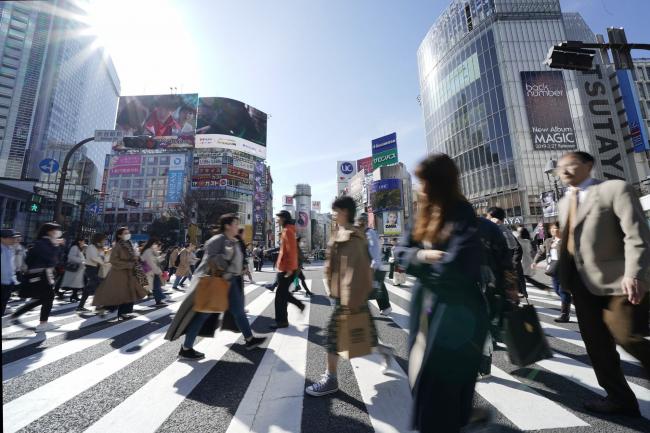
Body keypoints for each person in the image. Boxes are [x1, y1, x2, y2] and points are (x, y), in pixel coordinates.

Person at [393, 154, 488, 432]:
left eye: (425, 182)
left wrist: (422, 262)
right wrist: (425, 255)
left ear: (439, 183)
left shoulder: (461, 211)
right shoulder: (421, 215)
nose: (420, 189)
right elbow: (401, 251)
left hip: (457, 313)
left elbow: (460, 265)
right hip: (426, 307)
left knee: (442, 392)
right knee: (423, 382)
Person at [556, 151, 650, 416]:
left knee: (627, 336)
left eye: (570, 165)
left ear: (588, 165)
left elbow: (636, 233)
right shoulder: (564, 203)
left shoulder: (614, 189)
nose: (563, 171)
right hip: (581, 285)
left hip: (620, 281)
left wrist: (635, 273)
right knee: (596, 346)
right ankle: (619, 398)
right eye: (559, 168)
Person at [305, 196, 391, 397]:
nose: (333, 214)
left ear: (344, 212)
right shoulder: (341, 233)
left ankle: (331, 379)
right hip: (344, 296)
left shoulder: (353, 237)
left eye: (335, 211)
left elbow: (355, 270)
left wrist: (348, 300)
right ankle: (385, 352)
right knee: (367, 335)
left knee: (332, 338)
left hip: (348, 299)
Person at [165, 214, 266, 359]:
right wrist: (226, 258)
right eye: (235, 224)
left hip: (230, 281)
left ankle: (250, 339)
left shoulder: (233, 240)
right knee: (203, 315)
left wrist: (240, 267)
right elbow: (210, 259)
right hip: (217, 282)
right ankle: (186, 348)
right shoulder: (218, 240)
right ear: (227, 226)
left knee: (238, 312)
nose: (238, 227)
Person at [11, 222, 65, 332]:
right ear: (49, 231)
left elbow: (55, 260)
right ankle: (40, 323)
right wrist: (56, 245)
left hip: (43, 274)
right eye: (56, 230)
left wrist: (56, 245)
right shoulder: (43, 243)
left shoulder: (46, 242)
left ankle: (18, 316)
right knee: (47, 297)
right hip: (40, 274)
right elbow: (51, 259)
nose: (58, 233)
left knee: (44, 298)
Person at [93, 227, 148, 320]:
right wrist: (128, 264)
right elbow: (113, 260)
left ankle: (121, 312)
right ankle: (106, 308)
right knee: (121, 294)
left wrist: (136, 259)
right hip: (119, 274)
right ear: (119, 235)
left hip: (129, 273)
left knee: (129, 293)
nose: (128, 234)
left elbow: (133, 258)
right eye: (125, 233)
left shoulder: (129, 244)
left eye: (128, 232)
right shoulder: (117, 245)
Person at [270, 210, 305, 329]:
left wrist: (290, 269)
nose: (277, 220)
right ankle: (297, 306)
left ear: (284, 218)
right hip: (286, 268)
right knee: (283, 294)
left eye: (278, 217)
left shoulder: (288, 231)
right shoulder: (288, 230)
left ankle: (281, 321)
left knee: (280, 297)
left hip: (287, 269)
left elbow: (292, 251)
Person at [531, 222, 571, 322]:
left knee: (563, 291)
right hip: (553, 269)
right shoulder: (549, 241)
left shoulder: (566, 241)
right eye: (552, 229)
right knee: (557, 290)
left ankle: (564, 315)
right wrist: (535, 261)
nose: (553, 230)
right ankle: (571, 302)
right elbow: (541, 252)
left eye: (556, 228)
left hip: (564, 269)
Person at [356, 213, 392, 316]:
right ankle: (385, 307)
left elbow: (374, 248)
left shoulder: (369, 232)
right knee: (377, 286)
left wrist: (374, 265)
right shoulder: (363, 233)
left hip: (372, 266)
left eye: (359, 222)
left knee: (376, 287)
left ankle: (385, 307)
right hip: (368, 266)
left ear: (363, 222)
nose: (357, 224)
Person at [487, 207, 527, 298]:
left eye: (488, 216)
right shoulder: (488, 229)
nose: (486, 218)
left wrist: (500, 226)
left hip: (501, 274)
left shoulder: (500, 229)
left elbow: (512, 244)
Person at [78, 233, 107, 312]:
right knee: (97, 286)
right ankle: (97, 305)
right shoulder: (91, 247)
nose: (105, 241)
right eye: (103, 239)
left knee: (91, 288)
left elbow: (102, 257)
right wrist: (103, 261)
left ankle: (81, 306)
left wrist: (103, 254)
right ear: (99, 239)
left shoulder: (99, 247)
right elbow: (94, 257)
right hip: (91, 268)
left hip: (97, 268)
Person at [141, 238, 168, 307]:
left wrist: (161, 257)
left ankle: (158, 301)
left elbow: (155, 261)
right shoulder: (148, 251)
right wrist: (159, 272)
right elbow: (151, 263)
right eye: (156, 244)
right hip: (150, 271)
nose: (157, 246)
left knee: (156, 286)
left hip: (151, 271)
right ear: (152, 244)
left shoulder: (150, 251)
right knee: (153, 286)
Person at [60, 238, 87, 303]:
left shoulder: (79, 248)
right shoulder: (75, 247)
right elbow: (71, 257)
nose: (83, 243)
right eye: (83, 241)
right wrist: (82, 261)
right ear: (79, 241)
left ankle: (74, 296)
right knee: (73, 283)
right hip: (74, 268)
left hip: (78, 269)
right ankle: (69, 295)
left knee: (76, 284)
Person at [1, 229, 20, 315]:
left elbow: (10, 267)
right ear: (2, 238)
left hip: (7, 283)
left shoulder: (10, 249)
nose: (14, 240)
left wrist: (13, 280)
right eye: (11, 238)